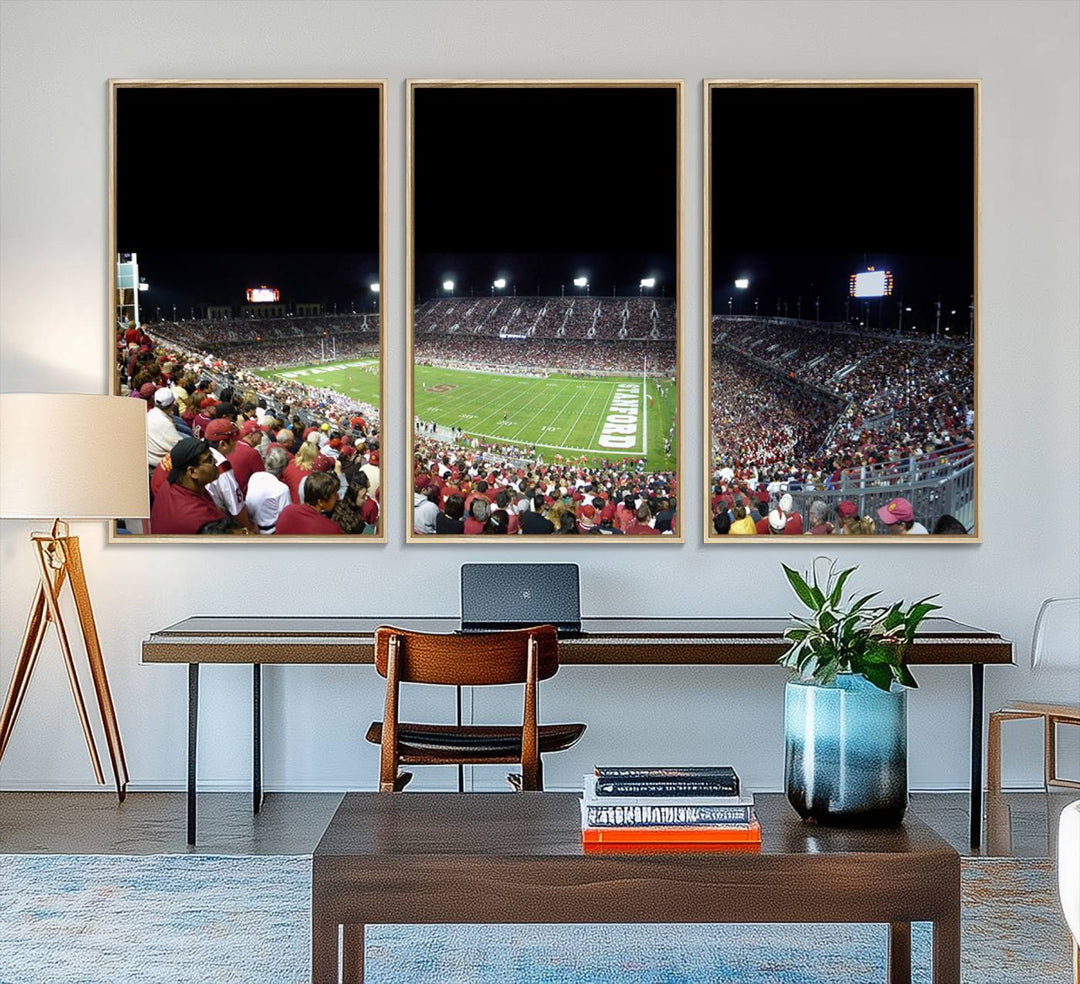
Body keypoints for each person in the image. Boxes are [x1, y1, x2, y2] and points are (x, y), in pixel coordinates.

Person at [149, 437, 226, 535]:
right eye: (209, 460)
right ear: (192, 472)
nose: (215, 462)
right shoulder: (203, 519)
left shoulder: (169, 485)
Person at [275, 470, 342, 534]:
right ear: (321, 502)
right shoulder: (331, 529)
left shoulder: (287, 511)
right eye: (334, 494)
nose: (338, 497)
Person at [244, 446, 291, 534]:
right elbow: (286, 518)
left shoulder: (255, 477)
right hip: (269, 532)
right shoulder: (282, 489)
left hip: (251, 527)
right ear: (284, 468)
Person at [146, 387, 181, 469]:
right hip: (157, 465)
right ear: (171, 405)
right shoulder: (167, 425)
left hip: (149, 457)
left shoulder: (150, 413)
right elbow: (181, 447)